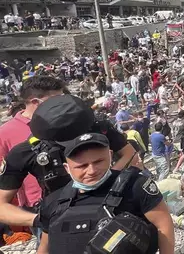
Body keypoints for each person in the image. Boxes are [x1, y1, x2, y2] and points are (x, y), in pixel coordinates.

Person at [0, 95, 138, 229]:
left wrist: (112, 179)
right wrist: (41, 220)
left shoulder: (100, 129)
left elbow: (130, 155)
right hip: (59, 219)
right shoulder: (28, 151)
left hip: (114, 208)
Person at [36, 133, 175, 254]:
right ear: (67, 168)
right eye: (82, 166)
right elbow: (45, 246)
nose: (91, 170)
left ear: (110, 155)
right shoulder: (54, 201)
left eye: (98, 162)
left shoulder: (135, 186)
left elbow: (163, 224)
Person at [0, 76, 66, 213]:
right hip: (37, 207)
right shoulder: (5, 133)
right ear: (36, 102)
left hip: (76, 195)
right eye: (56, 100)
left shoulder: (66, 121)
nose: (62, 104)